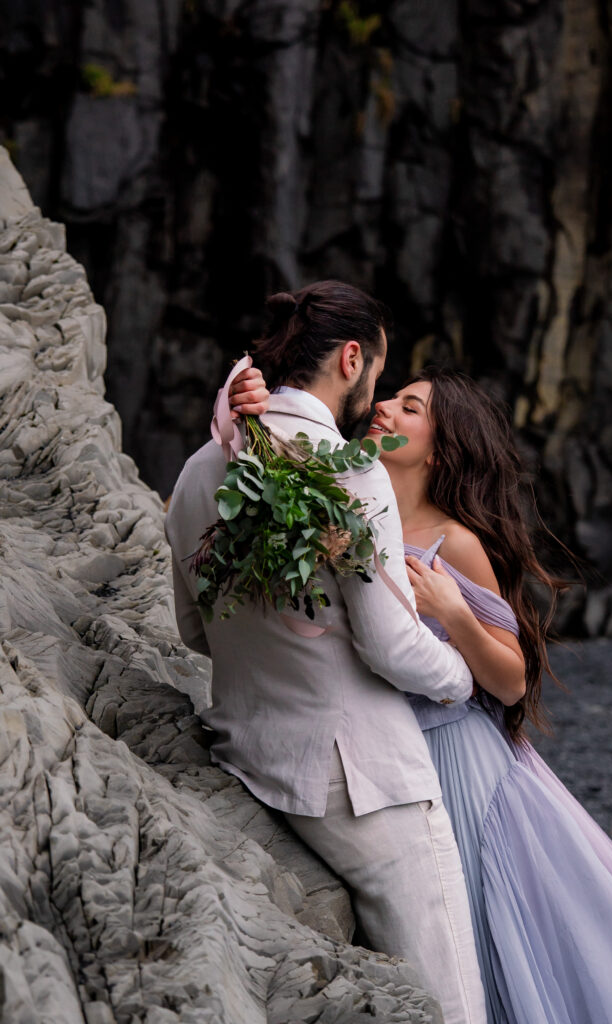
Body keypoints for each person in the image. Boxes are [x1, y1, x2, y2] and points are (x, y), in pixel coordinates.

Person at [165, 281, 487, 1024]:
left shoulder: (195, 470)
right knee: (451, 1005)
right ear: (351, 358)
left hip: (250, 755)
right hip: (365, 782)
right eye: (376, 369)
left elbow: (191, 629)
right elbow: (390, 644)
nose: (374, 387)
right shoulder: (349, 468)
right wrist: (459, 678)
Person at [368, 366, 612, 1024]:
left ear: (441, 445)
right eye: (389, 397)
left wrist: (452, 611)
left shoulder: (454, 540)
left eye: (408, 407)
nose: (382, 408)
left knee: (482, 924)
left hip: (457, 758)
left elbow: (510, 678)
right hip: (385, 747)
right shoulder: (361, 516)